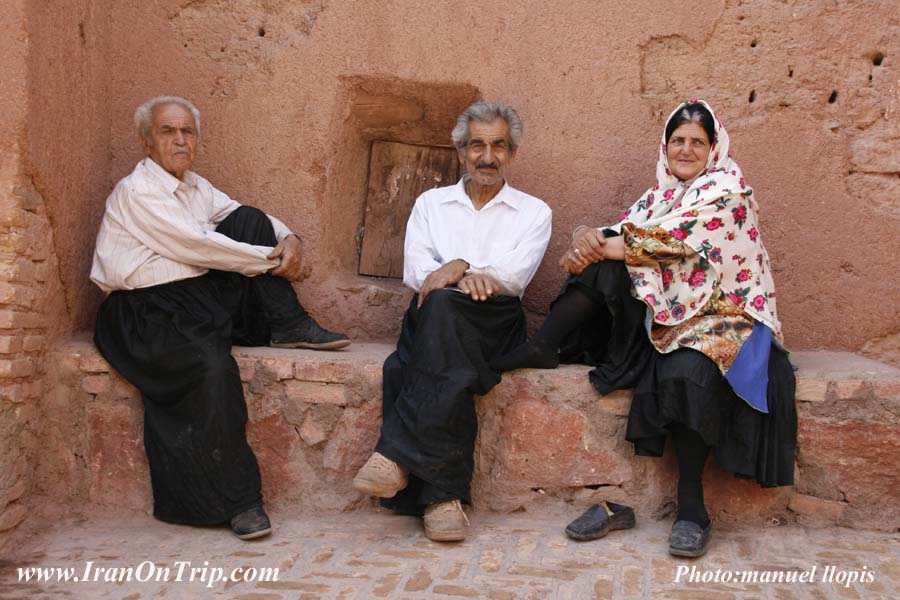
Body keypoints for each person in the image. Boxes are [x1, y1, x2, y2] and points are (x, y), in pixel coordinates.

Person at [491, 100, 796, 557]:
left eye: (697, 141)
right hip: (670, 314)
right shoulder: (660, 195)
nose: (686, 149)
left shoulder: (728, 192)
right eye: (678, 141)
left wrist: (598, 246)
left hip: (722, 318)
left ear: (714, 147)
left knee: (686, 373)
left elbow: (670, 241)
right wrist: (585, 238)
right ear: (666, 146)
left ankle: (692, 509)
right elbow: (623, 230)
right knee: (605, 264)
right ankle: (542, 346)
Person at [91, 96, 350, 540]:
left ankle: (288, 324)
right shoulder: (137, 191)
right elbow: (196, 245)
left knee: (248, 219)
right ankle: (239, 502)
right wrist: (273, 261)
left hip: (189, 299)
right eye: (167, 132)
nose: (179, 140)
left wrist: (288, 236)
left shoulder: (195, 187)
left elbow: (240, 217)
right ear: (146, 142)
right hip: (143, 315)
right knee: (212, 369)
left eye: (186, 132)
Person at [352, 102, 552, 542]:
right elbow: (416, 270)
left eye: (499, 146)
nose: (487, 156)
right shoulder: (431, 204)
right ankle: (444, 497)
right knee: (440, 317)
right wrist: (461, 272)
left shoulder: (534, 212)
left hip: (496, 322)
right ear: (461, 151)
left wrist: (458, 266)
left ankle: (396, 456)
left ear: (512, 154)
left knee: (421, 344)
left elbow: (512, 278)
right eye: (477, 145)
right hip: (436, 314)